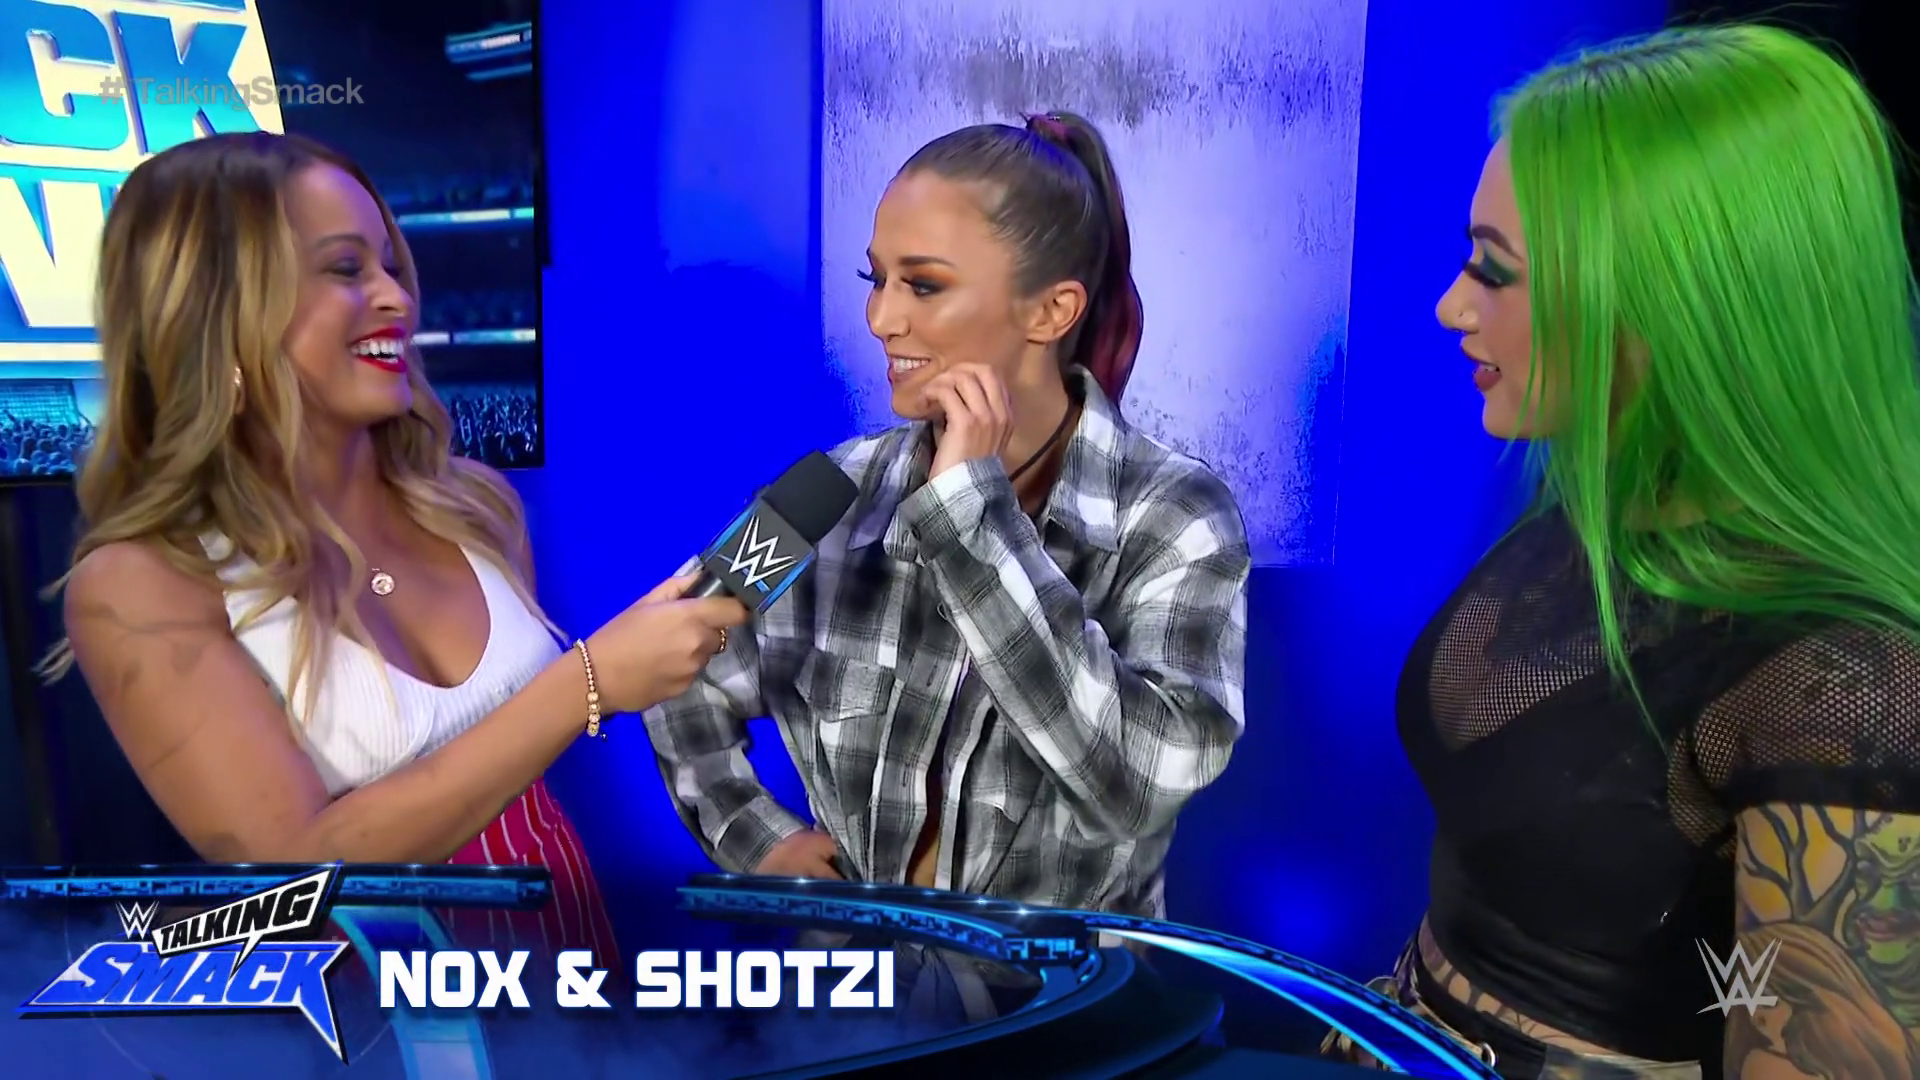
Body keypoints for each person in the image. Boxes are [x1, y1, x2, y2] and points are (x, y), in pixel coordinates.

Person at [1319, 24, 1920, 1079]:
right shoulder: (1592, 515)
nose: (1451, 306)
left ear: (1669, 304)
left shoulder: (1839, 686)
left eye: (1494, 272)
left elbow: (1782, 1017)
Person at [43, 132, 749, 964]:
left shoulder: (473, 503)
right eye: (346, 270)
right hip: (377, 1002)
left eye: (389, 265)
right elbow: (292, 880)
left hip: (567, 952)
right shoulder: (140, 583)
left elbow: (508, 777)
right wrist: (586, 682)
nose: (397, 299)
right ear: (218, 313)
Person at [646, 113, 1250, 920]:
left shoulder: (1177, 516)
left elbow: (1136, 786)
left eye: (923, 285)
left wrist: (970, 517)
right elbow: (670, 653)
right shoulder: (818, 495)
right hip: (859, 987)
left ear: (1052, 311)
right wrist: (756, 840)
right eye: (876, 280)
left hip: (1065, 995)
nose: (880, 319)